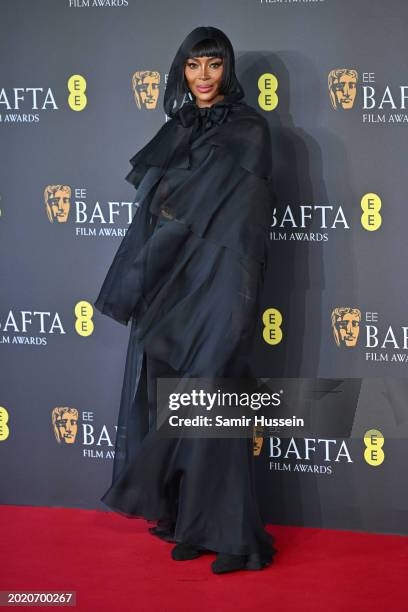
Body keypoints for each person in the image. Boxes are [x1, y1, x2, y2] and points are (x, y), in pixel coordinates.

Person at [94, 25, 277, 574]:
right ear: (181, 70)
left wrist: (238, 298)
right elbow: (153, 218)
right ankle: (189, 523)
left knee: (216, 401)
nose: (203, 77)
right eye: (194, 65)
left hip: (223, 285)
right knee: (174, 400)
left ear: (228, 70)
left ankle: (234, 538)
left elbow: (246, 223)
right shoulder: (172, 131)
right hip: (173, 286)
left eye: (213, 65)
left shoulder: (251, 131)